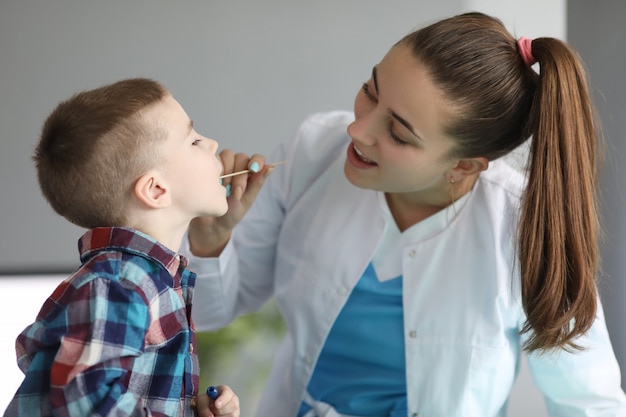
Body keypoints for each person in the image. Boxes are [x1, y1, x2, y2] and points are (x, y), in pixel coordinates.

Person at [185, 12, 626, 417]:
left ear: (463, 166)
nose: (357, 130)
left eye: (396, 132)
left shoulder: (526, 229)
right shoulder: (313, 151)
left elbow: (588, 403)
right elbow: (207, 313)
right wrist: (211, 241)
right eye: (369, 91)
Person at [4, 78, 240, 417]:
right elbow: (88, 403)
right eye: (194, 140)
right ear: (156, 190)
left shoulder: (147, 279)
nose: (213, 143)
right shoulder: (118, 284)